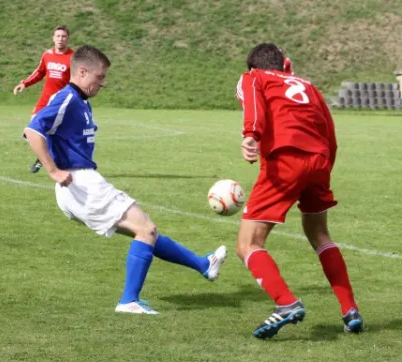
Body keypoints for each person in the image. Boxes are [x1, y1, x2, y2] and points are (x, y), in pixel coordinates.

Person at [23, 45, 227, 314]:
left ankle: (204, 265)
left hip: (79, 185)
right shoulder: (67, 98)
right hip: (80, 183)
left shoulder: (80, 101)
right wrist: (53, 170)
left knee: (144, 231)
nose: (103, 83)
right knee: (147, 230)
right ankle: (129, 301)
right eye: (100, 76)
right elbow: (32, 130)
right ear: (82, 72)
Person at [235, 43, 363, 339]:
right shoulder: (308, 85)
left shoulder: (254, 77)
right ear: (286, 64)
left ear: (254, 67)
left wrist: (250, 136)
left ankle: (286, 303)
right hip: (319, 160)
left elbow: (253, 102)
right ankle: (350, 309)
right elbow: (329, 131)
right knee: (319, 234)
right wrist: (323, 169)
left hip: (286, 159)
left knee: (248, 245)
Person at [14, 25, 73, 174]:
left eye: (63, 36)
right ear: (53, 38)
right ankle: (44, 156)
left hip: (61, 101)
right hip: (45, 99)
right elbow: (39, 72)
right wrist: (24, 83)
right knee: (30, 131)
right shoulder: (47, 55)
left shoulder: (73, 57)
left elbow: (78, 79)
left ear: (68, 38)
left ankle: (46, 160)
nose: (60, 39)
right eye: (58, 36)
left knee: (56, 133)